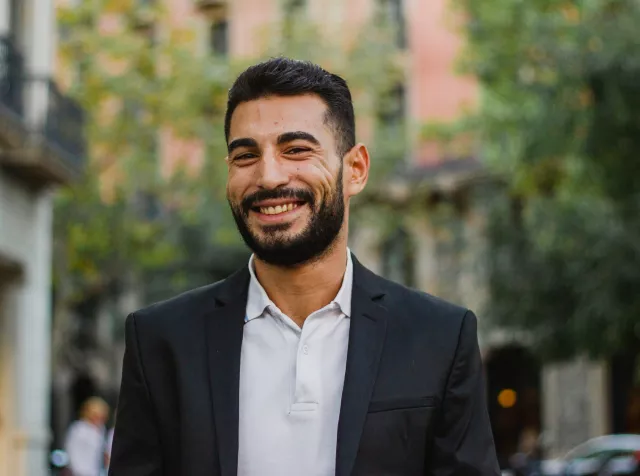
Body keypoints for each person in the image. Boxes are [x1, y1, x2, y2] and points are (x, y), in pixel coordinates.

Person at [110, 58, 499, 476]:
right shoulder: (160, 341)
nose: (269, 176)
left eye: (296, 150)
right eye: (245, 155)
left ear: (355, 169)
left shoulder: (439, 336)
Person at [65, 397, 109, 476]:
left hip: (95, 471)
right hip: (80, 471)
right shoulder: (79, 428)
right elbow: (71, 450)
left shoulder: (101, 429)